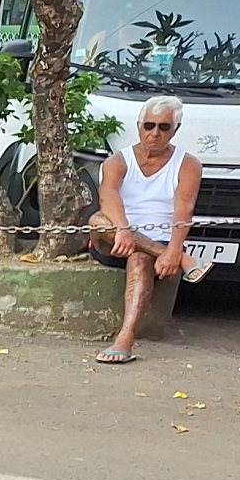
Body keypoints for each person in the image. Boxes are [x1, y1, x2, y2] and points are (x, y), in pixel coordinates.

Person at [88, 95, 201, 365]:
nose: (154, 134)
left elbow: (184, 209)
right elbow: (108, 197)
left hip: (155, 243)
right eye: (149, 126)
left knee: (139, 259)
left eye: (164, 127)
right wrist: (123, 229)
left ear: (175, 130)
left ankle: (125, 338)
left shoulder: (188, 164)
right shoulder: (118, 161)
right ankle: (187, 261)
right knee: (97, 221)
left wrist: (173, 250)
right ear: (139, 126)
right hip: (113, 236)